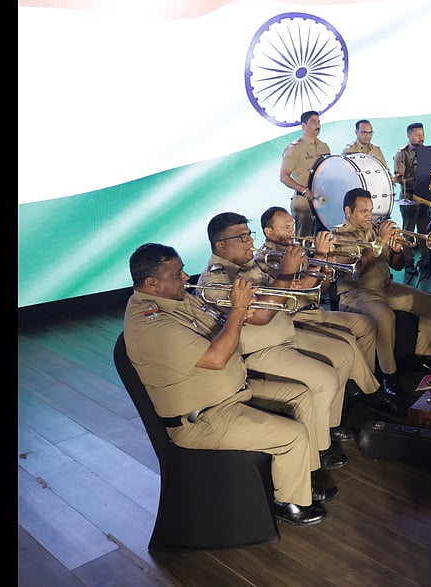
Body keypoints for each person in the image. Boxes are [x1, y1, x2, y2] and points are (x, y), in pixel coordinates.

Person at [123, 243, 332, 526]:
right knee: (292, 435)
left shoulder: (179, 299)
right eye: (177, 274)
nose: (186, 277)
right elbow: (217, 357)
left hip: (230, 394)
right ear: (152, 283)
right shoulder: (151, 324)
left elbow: (219, 323)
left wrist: (238, 312)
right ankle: (289, 504)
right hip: (204, 418)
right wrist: (238, 309)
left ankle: (301, 482)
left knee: (301, 394)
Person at [197, 212, 349, 469]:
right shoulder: (215, 279)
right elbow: (262, 317)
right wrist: (287, 273)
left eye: (249, 235)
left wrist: (319, 261)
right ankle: (318, 450)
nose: (248, 241)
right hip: (259, 350)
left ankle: (324, 426)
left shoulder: (250, 266)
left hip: (285, 334)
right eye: (241, 237)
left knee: (343, 353)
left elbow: (299, 290)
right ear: (220, 245)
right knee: (325, 378)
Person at [255, 206, 403, 417]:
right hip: (293, 317)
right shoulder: (265, 257)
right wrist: (321, 256)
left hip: (313, 309)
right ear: (269, 232)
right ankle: (373, 393)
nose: (292, 230)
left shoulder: (297, 249)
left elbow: (320, 290)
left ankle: (359, 388)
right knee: (348, 342)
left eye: (292, 225)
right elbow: (301, 291)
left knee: (366, 325)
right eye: (286, 227)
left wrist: (326, 266)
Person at [330, 187, 431, 398]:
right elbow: (356, 270)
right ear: (348, 211)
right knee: (384, 316)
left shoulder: (375, 229)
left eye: (371, 210)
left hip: (385, 287)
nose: (369, 216)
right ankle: (388, 376)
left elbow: (398, 266)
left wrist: (398, 250)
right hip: (356, 293)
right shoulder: (337, 235)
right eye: (364, 211)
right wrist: (381, 241)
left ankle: (421, 355)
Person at [280, 110, 333, 238]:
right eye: (313, 122)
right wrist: (303, 190)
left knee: (324, 239)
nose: (317, 125)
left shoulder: (324, 147)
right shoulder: (294, 148)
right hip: (304, 202)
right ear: (303, 126)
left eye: (319, 122)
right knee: (303, 240)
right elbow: (284, 176)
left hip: (323, 201)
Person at [392, 122, 431, 278]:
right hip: (409, 197)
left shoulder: (428, 152)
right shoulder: (402, 153)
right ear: (409, 135)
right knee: (408, 232)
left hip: (425, 197)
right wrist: (415, 181)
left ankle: (426, 261)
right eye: (417, 134)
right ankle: (408, 262)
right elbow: (399, 177)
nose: (421, 137)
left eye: (422, 134)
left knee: (425, 230)